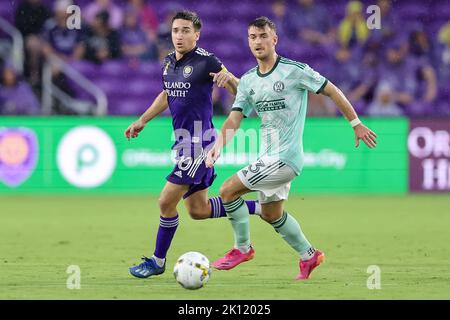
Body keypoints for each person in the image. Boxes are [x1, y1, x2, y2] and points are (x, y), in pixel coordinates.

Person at [205, 17, 377, 280]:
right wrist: (218, 146)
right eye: (252, 37)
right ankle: (310, 256)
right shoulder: (249, 80)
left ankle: (242, 249)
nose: (258, 41)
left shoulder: (295, 70)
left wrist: (356, 123)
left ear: (274, 40)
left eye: (263, 36)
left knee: (228, 190)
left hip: (285, 158)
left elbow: (332, 90)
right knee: (272, 214)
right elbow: (235, 117)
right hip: (268, 156)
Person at [124, 11, 260, 279]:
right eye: (176, 30)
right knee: (199, 210)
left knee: (165, 202)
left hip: (200, 143)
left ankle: (157, 261)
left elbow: (243, 92)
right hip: (183, 143)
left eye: (186, 30)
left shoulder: (205, 60)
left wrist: (228, 80)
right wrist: (143, 120)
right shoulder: (168, 63)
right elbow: (167, 94)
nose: (179, 36)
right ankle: (262, 206)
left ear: (196, 35)